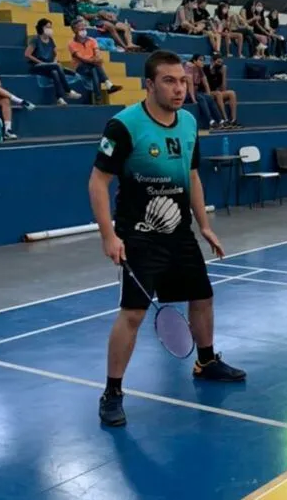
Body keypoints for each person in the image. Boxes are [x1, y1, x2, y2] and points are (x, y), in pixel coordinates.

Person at [88, 50, 246, 427]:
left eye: (183, 81)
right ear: (149, 84)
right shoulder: (124, 126)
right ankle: (112, 392)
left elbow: (191, 176)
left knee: (203, 296)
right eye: (169, 81)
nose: (179, 89)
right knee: (133, 314)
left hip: (179, 233)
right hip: (140, 238)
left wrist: (203, 223)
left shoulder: (189, 123)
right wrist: (108, 236)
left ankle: (206, 360)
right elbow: (98, 181)